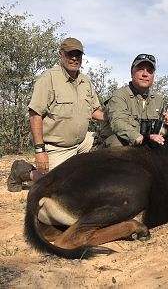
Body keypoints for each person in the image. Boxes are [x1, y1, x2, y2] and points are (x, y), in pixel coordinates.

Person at [7, 37, 104, 192]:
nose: (74, 58)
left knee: (108, 140)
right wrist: (40, 151)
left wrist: (115, 119)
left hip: (82, 142)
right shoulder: (49, 78)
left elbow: (94, 111)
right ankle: (22, 171)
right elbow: (35, 114)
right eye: (70, 54)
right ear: (61, 54)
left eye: (77, 54)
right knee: (60, 185)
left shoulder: (85, 81)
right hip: (57, 146)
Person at [100, 54, 168, 147]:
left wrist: (167, 124)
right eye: (140, 69)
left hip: (144, 146)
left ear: (153, 75)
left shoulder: (158, 100)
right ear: (132, 73)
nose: (145, 74)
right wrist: (143, 138)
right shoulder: (119, 96)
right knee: (117, 142)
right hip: (122, 146)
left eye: (150, 71)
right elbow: (118, 123)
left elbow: (160, 133)